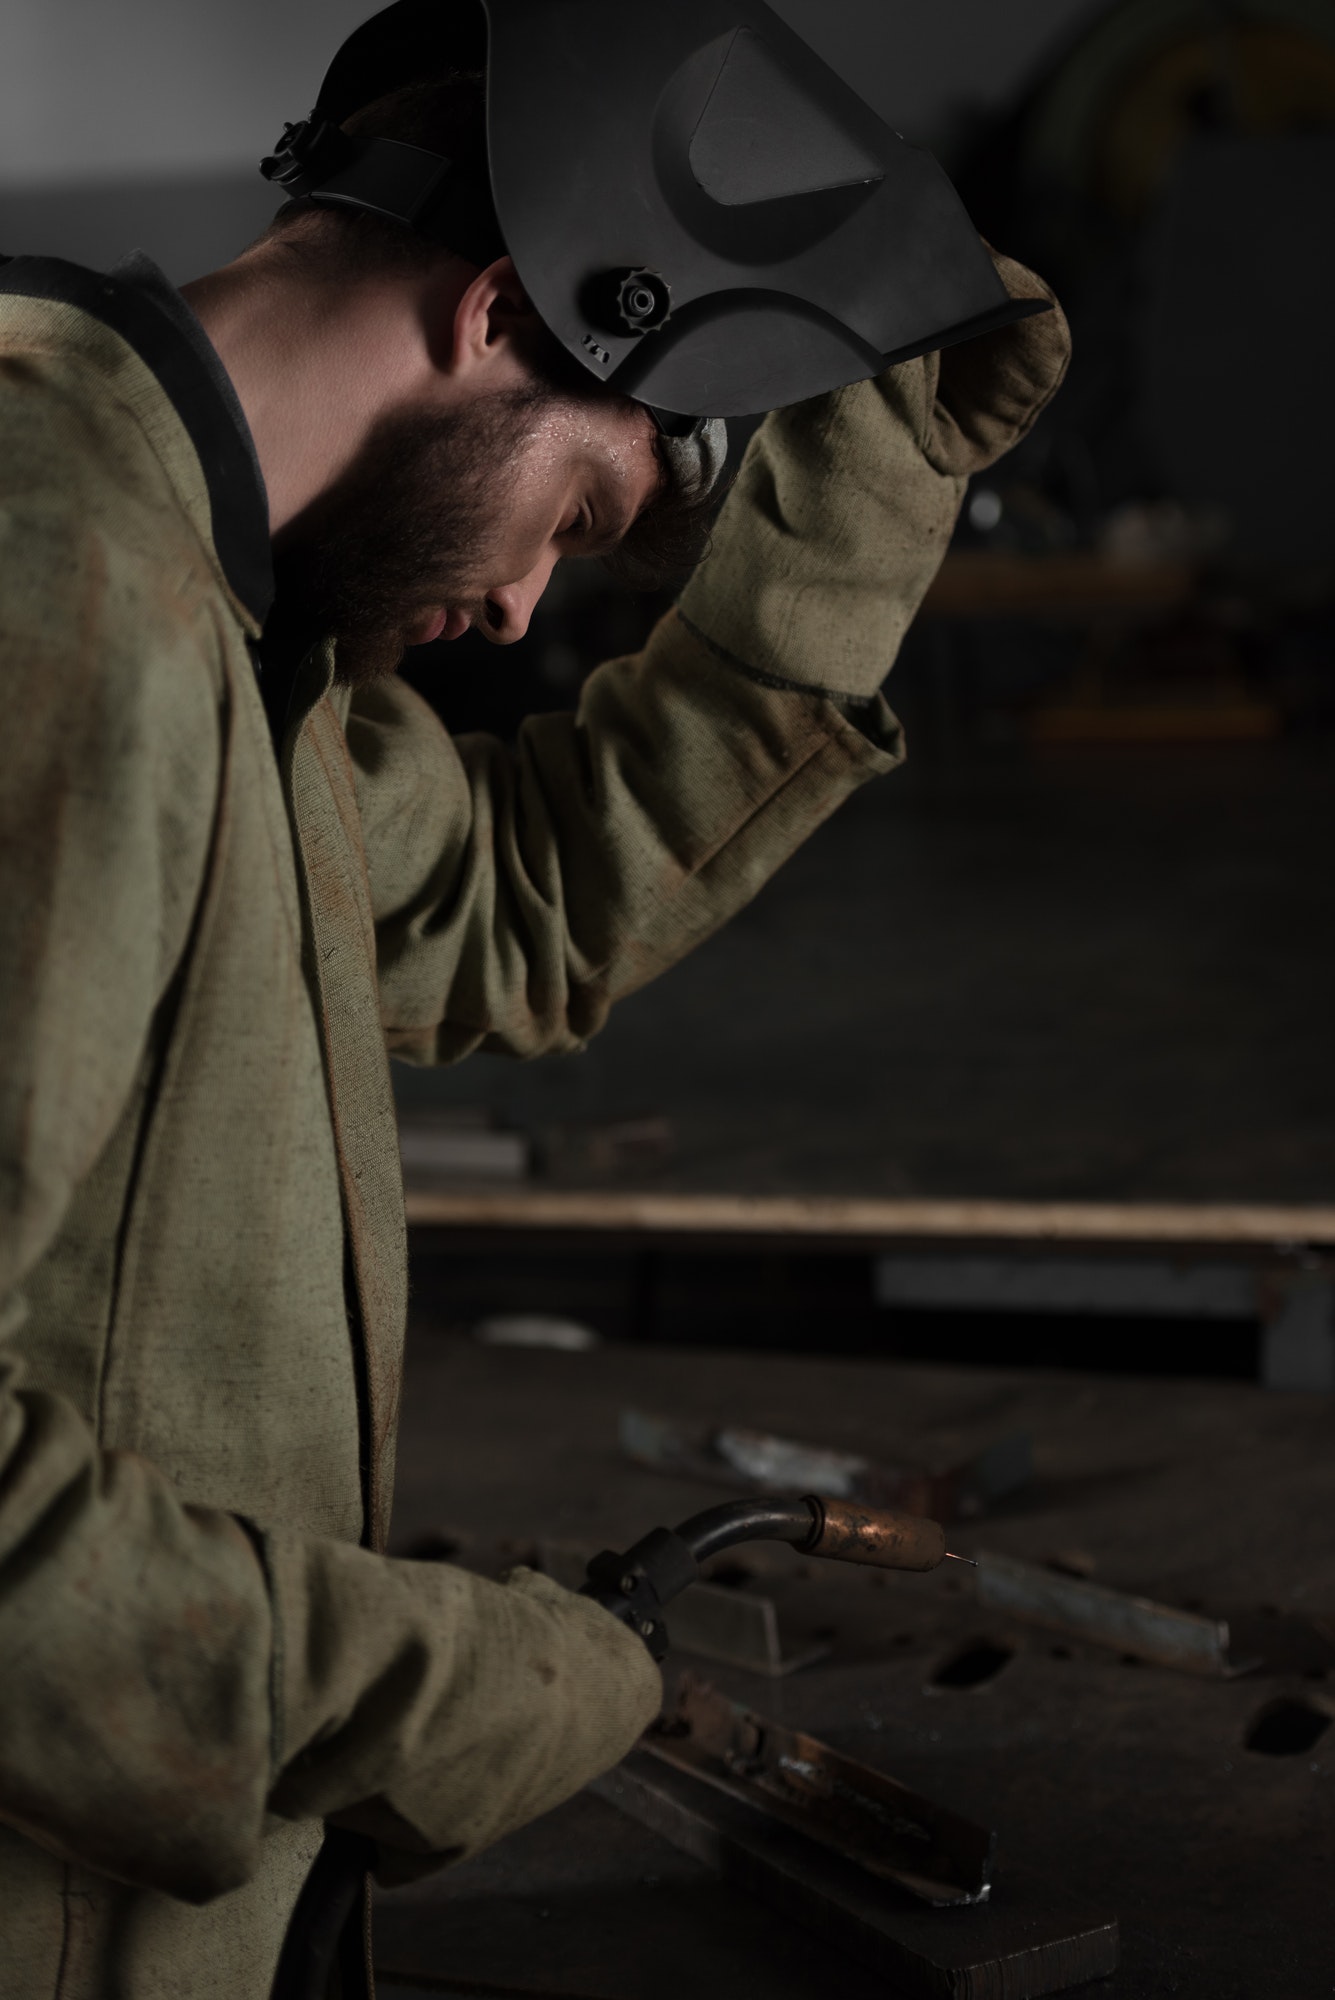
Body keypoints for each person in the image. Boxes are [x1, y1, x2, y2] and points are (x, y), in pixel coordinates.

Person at [0, 33, 1070, 2000]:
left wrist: (864, 501)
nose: (517, 611)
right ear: (498, 310)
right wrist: (426, 1693)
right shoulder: (50, 594)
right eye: (578, 519)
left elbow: (511, 895)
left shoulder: (215, 600)